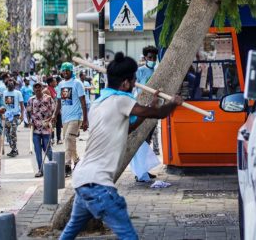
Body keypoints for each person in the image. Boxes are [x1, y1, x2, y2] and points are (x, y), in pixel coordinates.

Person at [59, 52, 183, 240]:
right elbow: (157, 115)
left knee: (69, 233)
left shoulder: (99, 103)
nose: (134, 84)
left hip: (82, 180)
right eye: (133, 81)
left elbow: (127, 127)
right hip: (98, 184)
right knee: (128, 236)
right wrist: (173, 103)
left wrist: (151, 106)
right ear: (125, 83)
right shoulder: (122, 100)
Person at [130, 46, 161, 183]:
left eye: (154, 58)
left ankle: (144, 171)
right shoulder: (140, 71)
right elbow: (134, 89)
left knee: (147, 142)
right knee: (141, 141)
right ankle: (139, 173)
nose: (152, 60)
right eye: (150, 58)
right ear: (145, 58)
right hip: (142, 110)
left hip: (153, 110)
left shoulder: (157, 71)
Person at [52, 62, 88, 177]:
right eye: (64, 70)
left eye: (67, 70)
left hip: (76, 117)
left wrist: (85, 120)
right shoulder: (60, 84)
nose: (65, 72)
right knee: (70, 140)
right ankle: (77, 161)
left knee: (68, 138)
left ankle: (67, 166)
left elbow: (83, 103)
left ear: (72, 71)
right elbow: (58, 102)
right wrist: (54, 115)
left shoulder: (77, 83)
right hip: (65, 118)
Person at [26, 82, 55, 177]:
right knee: (37, 150)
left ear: (42, 88)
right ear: (33, 89)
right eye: (36, 88)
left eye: (39, 87)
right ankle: (40, 170)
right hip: (36, 129)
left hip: (46, 128)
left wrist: (51, 120)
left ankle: (55, 165)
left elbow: (53, 111)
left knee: (47, 149)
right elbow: (28, 112)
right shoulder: (31, 100)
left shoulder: (48, 98)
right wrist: (29, 121)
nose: (37, 89)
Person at [3, 78, 24, 157]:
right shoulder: (4, 93)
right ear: (6, 84)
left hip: (15, 116)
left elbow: (22, 106)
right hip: (7, 116)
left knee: (12, 132)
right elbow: (4, 105)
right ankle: (14, 148)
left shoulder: (18, 93)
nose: (10, 84)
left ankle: (14, 150)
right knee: (8, 134)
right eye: (9, 83)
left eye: (12, 83)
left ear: (14, 84)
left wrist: (22, 115)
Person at [43, 76, 58, 144]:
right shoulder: (46, 90)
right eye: (54, 81)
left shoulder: (53, 89)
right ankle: (49, 139)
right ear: (50, 83)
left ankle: (52, 139)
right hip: (49, 111)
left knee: (53, 125)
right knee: (49, 125)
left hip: (54, 110)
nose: (56, 82)